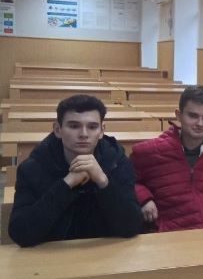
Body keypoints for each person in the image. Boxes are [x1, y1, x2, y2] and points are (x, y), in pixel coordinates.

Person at [9, 95, 143, 247]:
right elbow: (20, 233)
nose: (84, 134)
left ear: (101, 131)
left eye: (92, 127)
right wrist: (66, 184)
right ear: (58, 129)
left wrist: (103, 181)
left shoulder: (117, 163)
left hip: (105, 253)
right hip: (52, 256)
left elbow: (132, 226)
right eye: (74, 126)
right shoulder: (32, 169)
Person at [130, 86, 203, 232]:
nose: (200, 123)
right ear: (178, 115)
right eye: (193, 116)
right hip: (173, 231)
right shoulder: (150, 151)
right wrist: (144, 199)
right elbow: (127, 180)